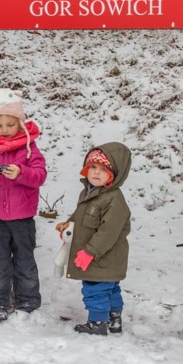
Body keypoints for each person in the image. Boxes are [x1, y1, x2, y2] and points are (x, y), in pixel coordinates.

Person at [0, 89, 47, 322]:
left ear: (19, 124)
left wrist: (21, 173)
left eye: (10, 124)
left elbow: (40, 175)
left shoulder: (29, 148)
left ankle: (27, 299)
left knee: (25, 259)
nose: (4, 130)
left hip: (22, 217)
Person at [56, 143, 132, 336]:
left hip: (103, 256)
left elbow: (109, 231)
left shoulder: (114, 200)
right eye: (93, 167)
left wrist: (90, 251)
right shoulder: (89, 192)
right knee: (110, 288)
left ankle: (98, 322)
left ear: (114, 175)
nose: (96, 173)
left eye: (103, 169)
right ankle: (114, 319)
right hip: (98, 255)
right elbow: (80, 215)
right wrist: (68, 223)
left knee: (96, 288)